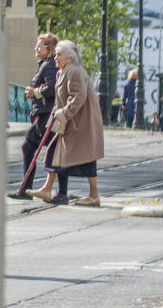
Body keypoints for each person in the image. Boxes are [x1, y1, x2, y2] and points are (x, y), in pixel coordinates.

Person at [28, 41, 105, 206]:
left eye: (59, 54)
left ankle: (94, 195)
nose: (55, 57)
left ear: (69, 57)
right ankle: (48, 189)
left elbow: (78, 96)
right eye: (55, 54)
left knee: (86, 158)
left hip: (80, 122)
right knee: (56, 152)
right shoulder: (64, 71)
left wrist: (64, 114)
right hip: (72, 121)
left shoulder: (75, 71)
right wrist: (55, 117)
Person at [10, 33, 59, 199]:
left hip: (46, 114)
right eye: (36, 46)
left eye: (40, 46)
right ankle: (28, 189)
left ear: (49, 49)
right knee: (50, 150)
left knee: (48, 150)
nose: (36, 49)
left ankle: (30, 190)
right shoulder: (45, 64)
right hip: (42, 113)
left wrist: (35, 92)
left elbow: (53, 88)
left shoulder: (50, 65)